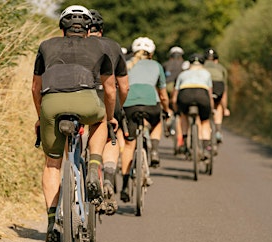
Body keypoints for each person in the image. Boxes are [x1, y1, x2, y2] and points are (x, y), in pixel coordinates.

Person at [31, 5, 117, 242]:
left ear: (62, 28)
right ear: (89, 30)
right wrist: (110, 118)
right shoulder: (100, 47)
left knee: (52, 164)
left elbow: (35, 88)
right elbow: (110, 90)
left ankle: (51, 222)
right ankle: (93, 168)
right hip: (86, 101)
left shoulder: (46, 45)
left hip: (52, 105)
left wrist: (40, 117)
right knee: (100, 121)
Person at [119, 37, 171, 202]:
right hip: (151, 104)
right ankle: (154, 151)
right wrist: (167, 110)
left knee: (129, 144)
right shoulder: (157, 66)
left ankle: (125, 185)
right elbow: (163, 94)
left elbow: (121, 87)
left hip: (129, 105)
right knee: (157, 123)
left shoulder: (127, 65)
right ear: (152, 52)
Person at [89, 9, 129, 215]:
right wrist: (117, 108)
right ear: (101, 31)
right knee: (111, 135)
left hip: (81, 97)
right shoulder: (113, 46)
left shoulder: (77, 46)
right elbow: (123, 86)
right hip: (106, 98)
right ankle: (109, 178)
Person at [172, 53, 214, 157]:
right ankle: (206, 148)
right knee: (204, 121)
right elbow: (209, 95)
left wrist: (176, 110)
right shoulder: (207, 74)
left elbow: (174, 97)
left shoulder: (182, 74)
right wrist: (211, 109)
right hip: (202, 95)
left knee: (183, 117)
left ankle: (185, 143)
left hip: (185, 94)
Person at [204, 48, 230, 144]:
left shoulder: (202, 66)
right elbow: (224, 90)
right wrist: (225, 108)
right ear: (216, 60)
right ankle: (218, 131)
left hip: (205, 88)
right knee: (218, 105)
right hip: (218, 86)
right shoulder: (221, 68)